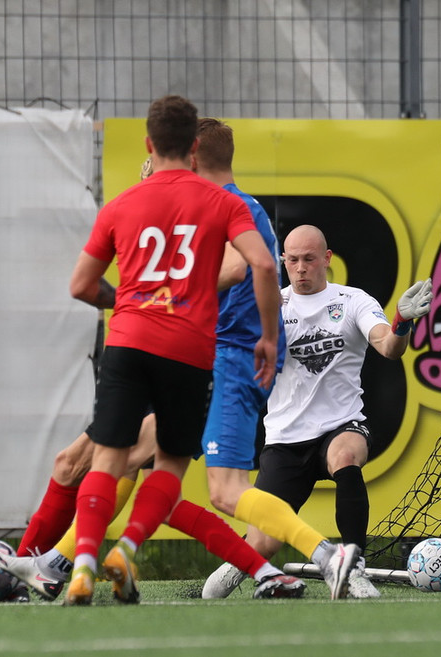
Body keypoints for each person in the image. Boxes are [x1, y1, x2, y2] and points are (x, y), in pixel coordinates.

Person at [0, 120, 308, 602]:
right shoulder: (184, 209)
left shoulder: (210, 207)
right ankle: (51, 567)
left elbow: (239, 267)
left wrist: (161, 297)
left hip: (184, 353)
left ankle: (49, 569)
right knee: (115, 473)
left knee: (133, 470)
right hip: (164, 350)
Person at [64, 94, 287, 606]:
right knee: (165, 466)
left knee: (108, 460)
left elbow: (80, 285)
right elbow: (261, 265)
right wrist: (269, 337)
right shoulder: (219, 203)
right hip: (187, 347)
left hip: (131, 341)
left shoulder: (125, 203)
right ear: (191, 149)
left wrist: (126, 302)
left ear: (149, 145)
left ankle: (80, 566)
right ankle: (122, 551)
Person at [203, 224, 433, 599]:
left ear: (327, 259)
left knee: (346, 456)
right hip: (285, 438)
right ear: (283, 261)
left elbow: (389, 347)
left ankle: (353, 567)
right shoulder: (269, 306)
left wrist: (402, 322)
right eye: (292, 260)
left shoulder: (353, 300)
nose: (300, 268)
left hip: (341, 425)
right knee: (264, 543)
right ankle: (235, 565)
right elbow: (236, 360)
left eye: (309, 259)